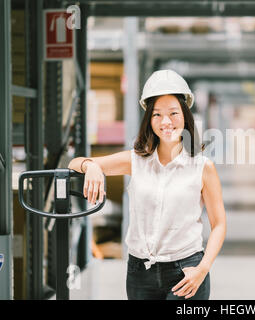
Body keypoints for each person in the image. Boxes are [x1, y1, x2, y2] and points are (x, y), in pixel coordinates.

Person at [68, 69, 227, 300]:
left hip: (186, 271)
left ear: (185, 115)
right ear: (149, 119)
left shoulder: (203, 167)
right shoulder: (135, 161)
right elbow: (74, 163)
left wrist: (202, 269)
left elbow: (219, 224)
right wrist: (91, 167)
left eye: (173, 113)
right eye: (157, 115)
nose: (166, 122)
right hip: (140, 274)